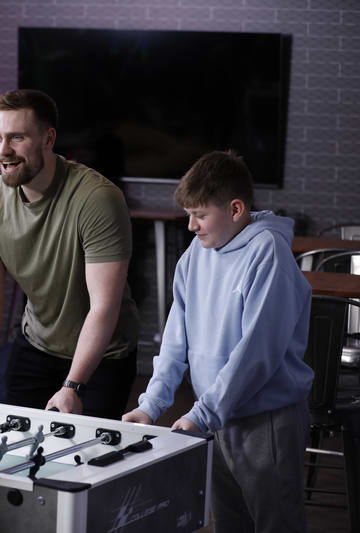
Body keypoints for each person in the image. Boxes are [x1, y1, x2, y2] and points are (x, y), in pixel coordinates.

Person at [122, 150, 314, 533]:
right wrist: (152, 404)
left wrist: (202, 413)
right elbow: (176, 337)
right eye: (188, 214)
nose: (191, 225)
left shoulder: (269, 253)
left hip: (266, 420)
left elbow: (256, 355)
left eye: (200, 214)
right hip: (215, 416)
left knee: (276, 522)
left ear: (236, 209)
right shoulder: (197, 252)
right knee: (228, 522)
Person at [0, 89, 140, 417]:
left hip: (104, 356)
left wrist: (73, 386)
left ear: (48, 138)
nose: (4, 150)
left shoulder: (97, 199)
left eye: (17, 137)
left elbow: (104, 305)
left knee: (87, 462)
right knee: (16, 451)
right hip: (37, 344)